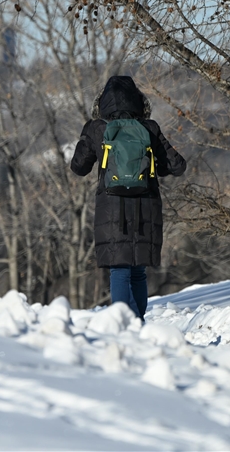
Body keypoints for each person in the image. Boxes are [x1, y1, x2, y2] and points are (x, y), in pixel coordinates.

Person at [70, 76, 186, 321]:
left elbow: (78, 167)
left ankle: (125, 325)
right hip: (146, 205)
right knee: (138, 271)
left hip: (111, 207)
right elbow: (176, 166)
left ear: (102, 103)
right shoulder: (149, 128)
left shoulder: (96, 128)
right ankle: (138, 321)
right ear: (138, 101)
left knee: (119, 270)